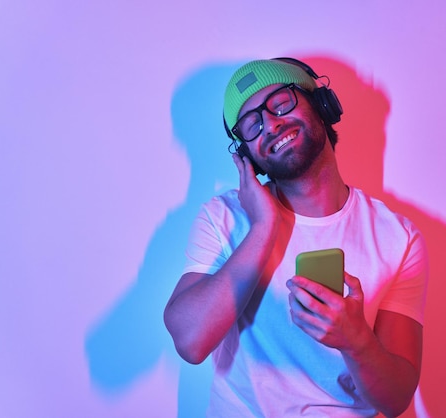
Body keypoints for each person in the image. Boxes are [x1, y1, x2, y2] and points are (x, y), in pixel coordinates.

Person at [164, 57, 428, 417]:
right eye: (251, 124)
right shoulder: (224, 217)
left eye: (281, 102)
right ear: (246, 155)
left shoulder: (399, 238)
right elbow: (191, 342)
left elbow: (397, 399)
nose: (270, 124)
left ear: (321, 105)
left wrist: (357, 342)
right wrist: (262, 228)